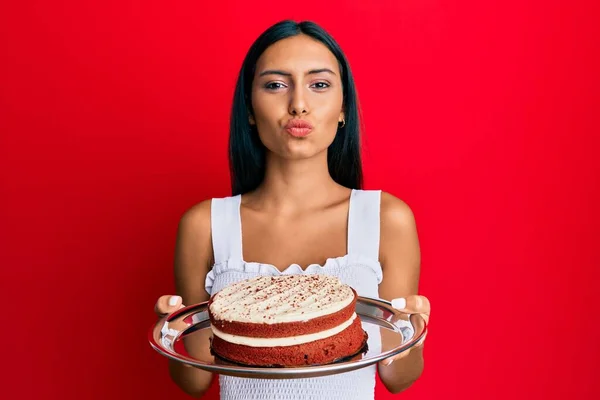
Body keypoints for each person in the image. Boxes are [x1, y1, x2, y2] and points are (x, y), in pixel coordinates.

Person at [154, 19, 431, 400]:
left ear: (343, 108)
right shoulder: (205, 225)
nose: (298, 103)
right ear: (249, 109)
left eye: (319, 84)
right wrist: (172, 326)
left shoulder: (385, 219)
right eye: (275, 85)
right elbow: (196, 379)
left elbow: (398, 377)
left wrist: (414, 331)